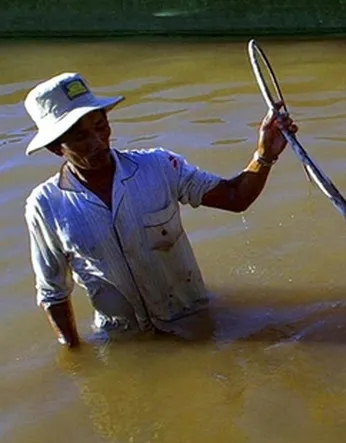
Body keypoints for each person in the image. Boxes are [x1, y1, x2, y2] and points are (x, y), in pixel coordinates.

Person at [23, 71, 298, 348]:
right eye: (80, 136)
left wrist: (265, 155)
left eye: (101, 125)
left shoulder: (160, 166)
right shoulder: (45, 205)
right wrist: (75, 355)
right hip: (124, 339)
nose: (97, 141)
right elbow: (53, 293)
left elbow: (236, 197)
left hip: (193, 320)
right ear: (56, 147)